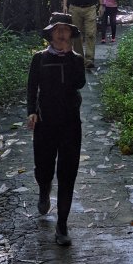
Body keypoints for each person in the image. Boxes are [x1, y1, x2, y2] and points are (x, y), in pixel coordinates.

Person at [27, 13, 86, 247]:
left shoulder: (76, 59)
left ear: (71, 34)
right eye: (57, 30)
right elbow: (32, 87)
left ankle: (62, 225)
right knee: (43, 168)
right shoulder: (38, 59)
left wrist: (70, 56)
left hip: (71, 124)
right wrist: (31, 111)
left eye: (66, 30)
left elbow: (79, 83)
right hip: (45, 122)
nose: (61, 34)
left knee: (68, 173)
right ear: (50, 34)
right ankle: (43, 190)